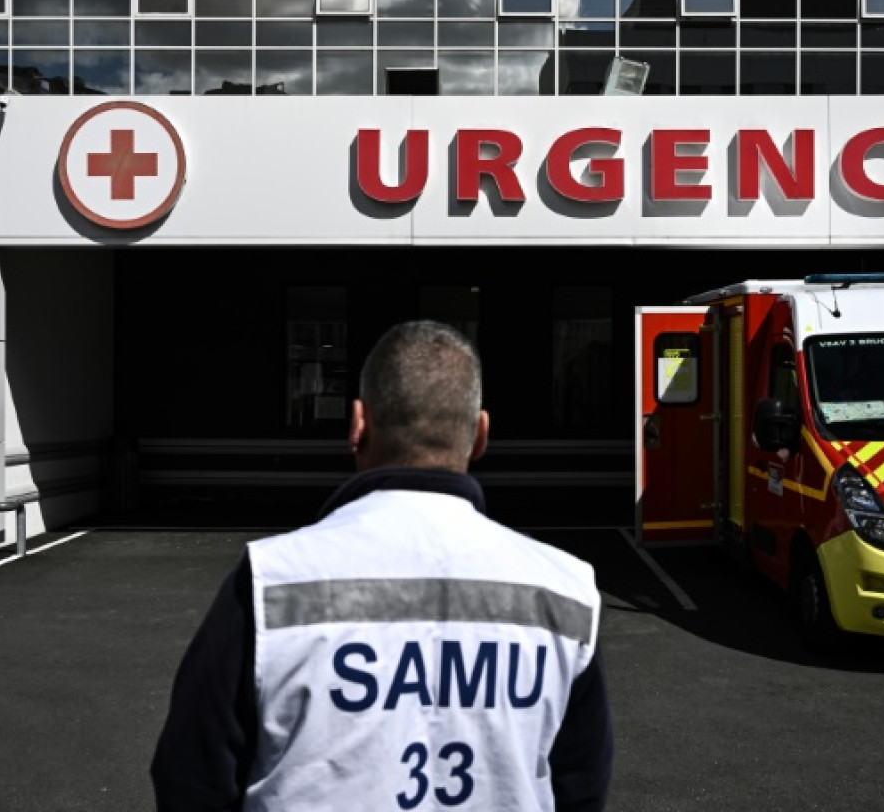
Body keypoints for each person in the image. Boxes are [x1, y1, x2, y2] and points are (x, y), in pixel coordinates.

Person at [151, 321, 612, 812]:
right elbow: (581, 785)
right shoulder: (565, 591)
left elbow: (191, 778)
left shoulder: (272, 581)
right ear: (480, 435)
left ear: (357, 424)